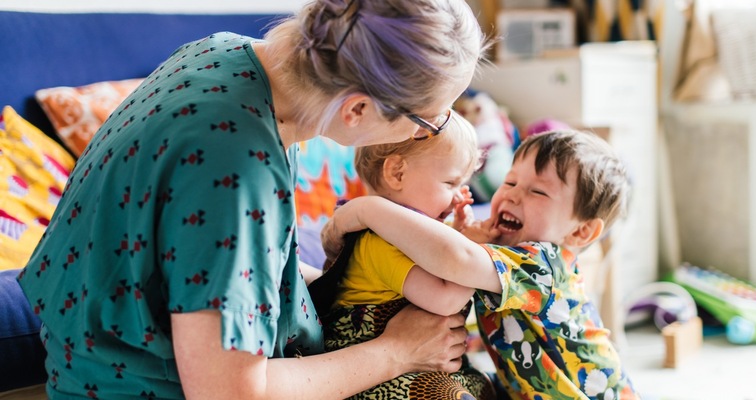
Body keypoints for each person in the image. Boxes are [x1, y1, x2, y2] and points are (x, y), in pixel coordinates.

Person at [15, 1, 487, 398]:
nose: (431, 131)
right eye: (429, 123)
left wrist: (349, 274)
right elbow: (231, 392)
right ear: (357, 108)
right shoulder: (237, 167)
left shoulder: (222, 53)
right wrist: (395, 352)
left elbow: (206, 265)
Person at [322, 129, 640, 399]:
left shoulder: (543, 264)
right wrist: (462, 234)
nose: (513, 196)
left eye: (537, 191)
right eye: (511, 182)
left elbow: (457, 260)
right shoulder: (504, 251)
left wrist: (368, 209)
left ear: (581, 231)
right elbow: (443, 258)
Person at [310, 111, 495, 399]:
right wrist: (471, 247)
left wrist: (456, 234)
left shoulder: (410, 236)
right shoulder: (379, 243)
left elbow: (439, 260)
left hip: (418, 364)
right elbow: (445, 299)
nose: (459, 196)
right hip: (377, 383)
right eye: (450, 184)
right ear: (397, 173)